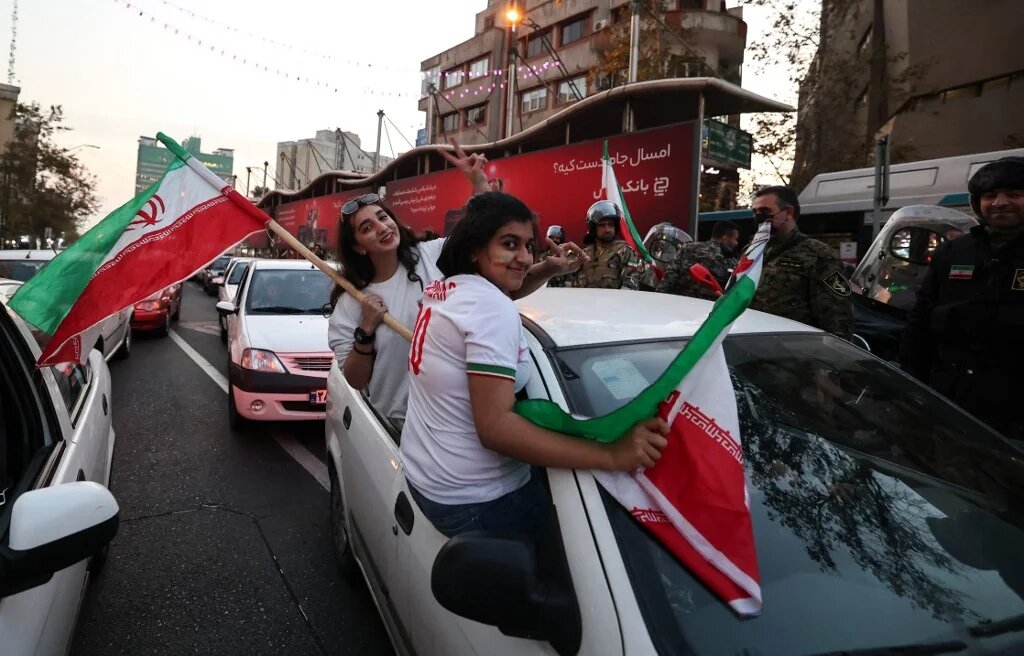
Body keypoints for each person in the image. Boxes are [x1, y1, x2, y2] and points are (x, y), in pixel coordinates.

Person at [401, 191, 669, 539]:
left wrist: (550, 268)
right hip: (480, 501)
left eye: (529, 246)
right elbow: (496, 429)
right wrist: (612, 455)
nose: (525, 257)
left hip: (429, 478)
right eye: (510, 244)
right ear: (473, 247)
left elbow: (500, 292)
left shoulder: (446, 289)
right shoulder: (489, 309)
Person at [328, 143, 584, 429]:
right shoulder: (350, 302)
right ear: (358, 248)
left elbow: (493, 259)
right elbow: (355, 380)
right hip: (396, 429)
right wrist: (365, 332)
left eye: (382, 217)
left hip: (459, 421)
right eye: (367, 228)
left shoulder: (433, 255)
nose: (382, 227)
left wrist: (549, 267)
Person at [900, 157, 1024, 442]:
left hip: (1014, 416)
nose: (1000, 203)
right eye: (990, 196)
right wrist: (910, 381)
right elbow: (920, 320)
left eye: (1014, 195)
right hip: (951, 406)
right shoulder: (954, 252)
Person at [749, 186, 854, 338]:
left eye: (765, 211)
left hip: (793, 351)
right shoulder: (752, 251)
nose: (759, 217)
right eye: (755, 212)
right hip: (750, 344)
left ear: (789, 212)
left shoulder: (819, 255)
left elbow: (838, 319)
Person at [657, 220, 741, 301]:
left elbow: (669, 277)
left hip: (678, 303)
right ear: (725, 238)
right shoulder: (729, 261)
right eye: (735, 239)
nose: (736, 243)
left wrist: (658, 298)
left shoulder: (688, 247)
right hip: (706, 309)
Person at [572, 201, 644, 290]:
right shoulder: (583, 255)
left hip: (614, 303)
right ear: (593, 228)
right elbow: (573, 286)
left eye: (611, 225)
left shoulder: (625, 252)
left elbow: (630, 287)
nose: (607, 230)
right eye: (602, 226)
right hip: (585, 302)